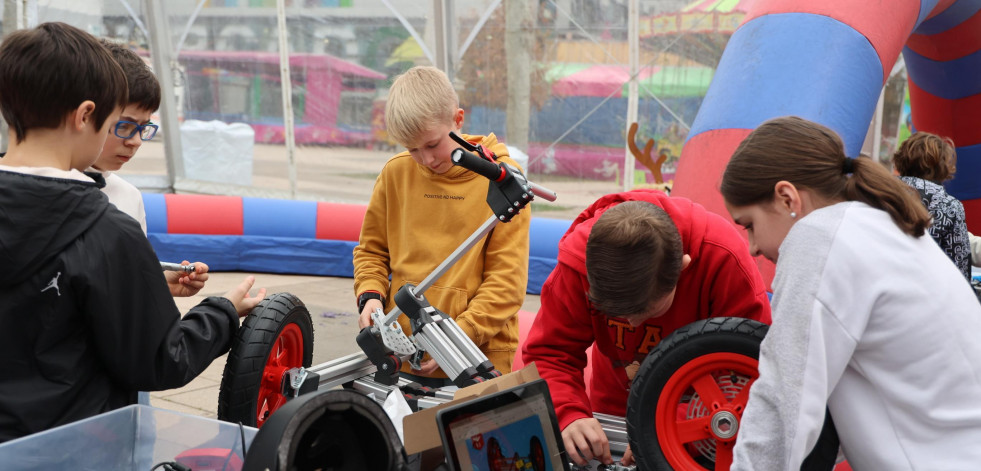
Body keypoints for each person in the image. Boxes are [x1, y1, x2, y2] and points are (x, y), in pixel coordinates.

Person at [0, 22, 267, 443]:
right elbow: (160, 358)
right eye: (115, 122)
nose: (129, 139)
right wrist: (223, 312)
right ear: (86, 115)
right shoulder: (107, 231)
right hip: (71, 448)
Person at [721, 116, 981, 470]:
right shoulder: (880, 225)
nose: (751, 247)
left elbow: (783, 404)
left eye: (749, 225)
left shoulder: (818, 238)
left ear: (787, 198)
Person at [521, 188, 772, 466]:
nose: (632, 323)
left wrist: (659, 429)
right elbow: (550, 353)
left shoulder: (723, 260)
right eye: (616, 313)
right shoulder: (578, 264)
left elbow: (757, 370)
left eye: (645, 311)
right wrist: (569, 414)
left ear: (683, 268)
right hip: (614, 412)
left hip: (704, 421)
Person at [353, 66, 530, 387]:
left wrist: (455, 338)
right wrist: (371, 298)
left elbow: (507, 283)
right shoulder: (396, 174)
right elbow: (372, 251)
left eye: (432, 145)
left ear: (458, 120)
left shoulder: (505, 182)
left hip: (478, 353)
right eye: (412, 149)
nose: (426, 160)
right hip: (404, 351)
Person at [892, 131, 971, 280]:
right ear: (943, 167)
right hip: (925, 293)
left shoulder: (879, 194)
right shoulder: (950, 207)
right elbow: (959, 269)